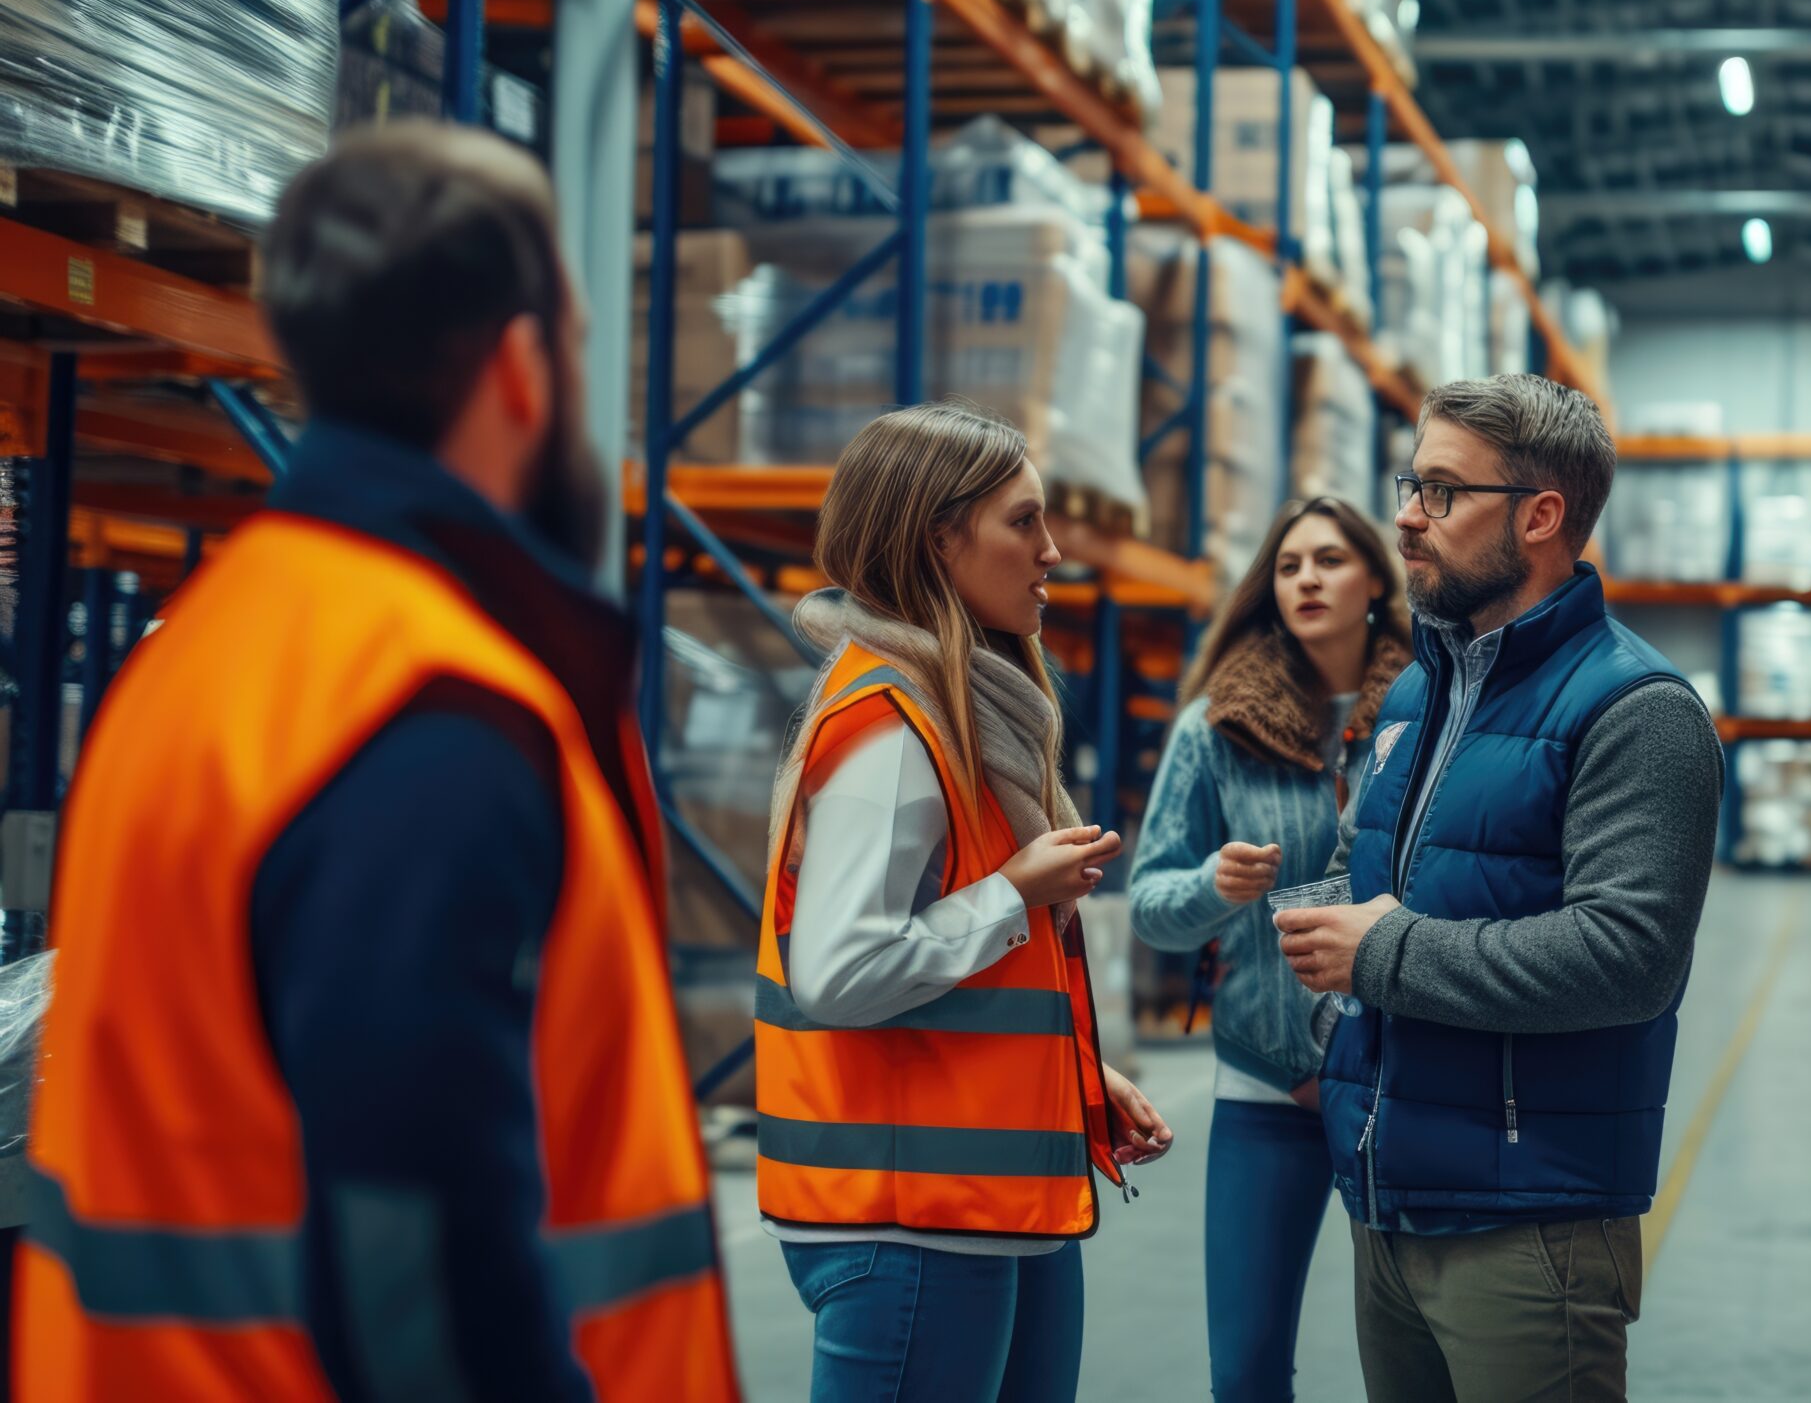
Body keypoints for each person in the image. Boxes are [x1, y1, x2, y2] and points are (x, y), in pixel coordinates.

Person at [13, 123, 740, 1400]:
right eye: (575, 342)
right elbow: (416, 1263)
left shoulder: (207, 652)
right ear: (523, 370)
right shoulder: (427, 705)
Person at [1275, 375, 1725, 1403]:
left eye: (1439, 491)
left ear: (1539, 515)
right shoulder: (1419, 687)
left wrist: (1379, 952)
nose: (1404, 515)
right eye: (1408, 483)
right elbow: (1372, 867)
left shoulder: (1637, 710)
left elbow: (1628, 959)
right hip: (1389, 1199)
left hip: (1530, 1225)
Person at [754, 401, 1175, 1403]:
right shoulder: (893, 733)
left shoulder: (962, 718)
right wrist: (1013, 891)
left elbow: (970, 977)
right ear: (939, 539)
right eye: (1022, 522)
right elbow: (841, 972)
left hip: (982, 1204)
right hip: (907, 1220)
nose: (1053, 549)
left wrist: (1071, 1077)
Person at [1130, 498, 1414, 1401]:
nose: (1308, 579)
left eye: (1330, 559)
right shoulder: (1217, 728)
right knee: (1246, 1368)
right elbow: (1147, 906)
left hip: (1402, 1079)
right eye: (1289, 565)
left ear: (1374, 578)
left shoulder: (1432, 711)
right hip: (1264, 1079)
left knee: (1424, 1363)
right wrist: (1213, 886)